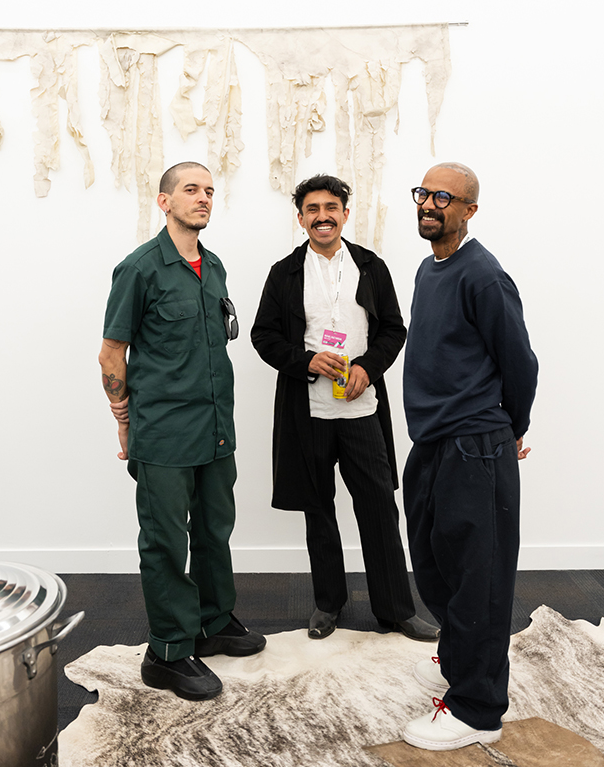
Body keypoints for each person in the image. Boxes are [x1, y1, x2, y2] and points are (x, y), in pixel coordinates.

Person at [98, 161, 265, 702]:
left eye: (210, 191)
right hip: (164, 432)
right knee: (166, 541)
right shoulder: (139, 269)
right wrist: (124, 423)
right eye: (191, 189)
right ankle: (168, 651)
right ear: (164, 201)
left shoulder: (212, 266)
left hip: (215, 427)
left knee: (215, 529)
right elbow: (111, 353)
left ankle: (213, 622)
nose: (203, 198)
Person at [251, 174, 439, 642]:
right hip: (308, 412)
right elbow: (263, 335)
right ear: (301, 219)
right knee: (318, 511)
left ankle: (396, 610)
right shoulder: (284, 272)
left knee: (379, 509)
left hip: (361, 408)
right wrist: (306, 360)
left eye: (330, 208)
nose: (322, 216)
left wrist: (368, 368)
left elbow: (393, 330)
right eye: (312, 209)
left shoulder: (371, 267)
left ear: (345, 214)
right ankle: (328, 603)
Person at [401, 162, 538, 750]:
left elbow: (520, 362)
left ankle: (477, 709)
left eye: (444, 197)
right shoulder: (429, 269)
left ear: (468, 210)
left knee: (479, 578)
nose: (429, 204)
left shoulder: (483, 276)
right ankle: (458, 658)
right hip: (433, 441)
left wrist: (510, 428)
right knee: (436, 563)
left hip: (476, 444)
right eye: (424, 193)